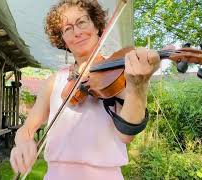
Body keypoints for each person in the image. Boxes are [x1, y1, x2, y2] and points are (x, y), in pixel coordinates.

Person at [10, 0, 160, 179]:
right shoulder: (53, 82)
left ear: (97, 26)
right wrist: (23, 142)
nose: (77, 32)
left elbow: (126, 136)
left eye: (82, 22)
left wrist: (138, 86)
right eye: (67, 29)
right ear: (63, 40)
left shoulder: (120, 75)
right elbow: (26, 129)